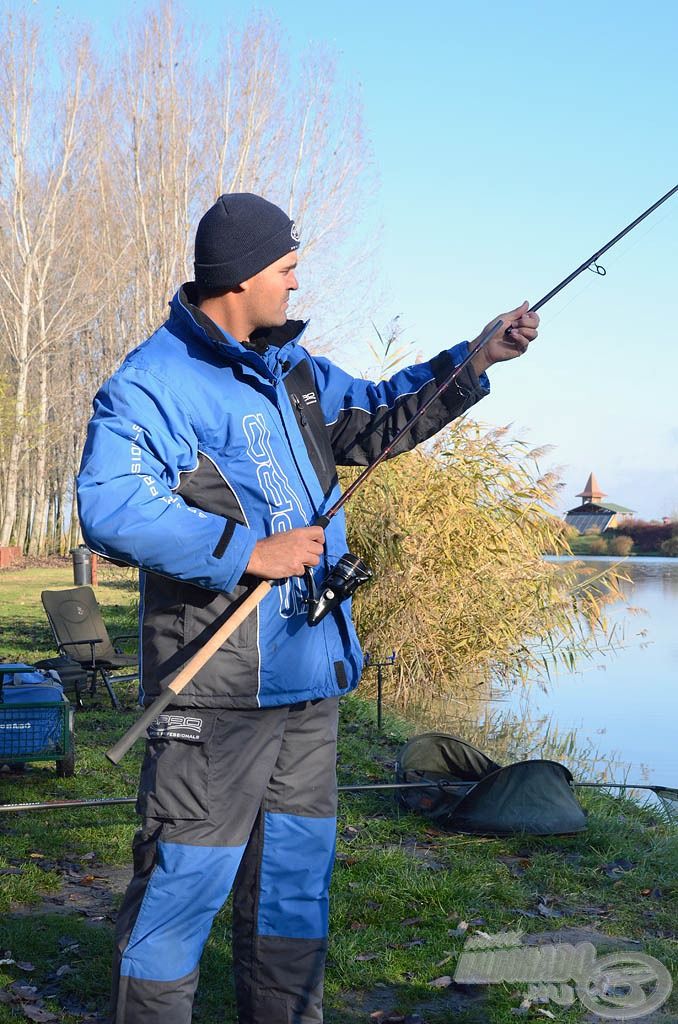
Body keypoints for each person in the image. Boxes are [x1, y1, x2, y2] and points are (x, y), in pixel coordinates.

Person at [76, 193, 539, 1024]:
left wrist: (477, 360)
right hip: (213, 697)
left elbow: (382, 420)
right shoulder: (152, 384)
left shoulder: (296, 373)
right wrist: (247, 552)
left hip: (308, 684)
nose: (296, 282)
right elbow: (111, 506)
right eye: (286, 268)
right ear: (242, 276)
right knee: (178, 901)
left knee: (293, 899)